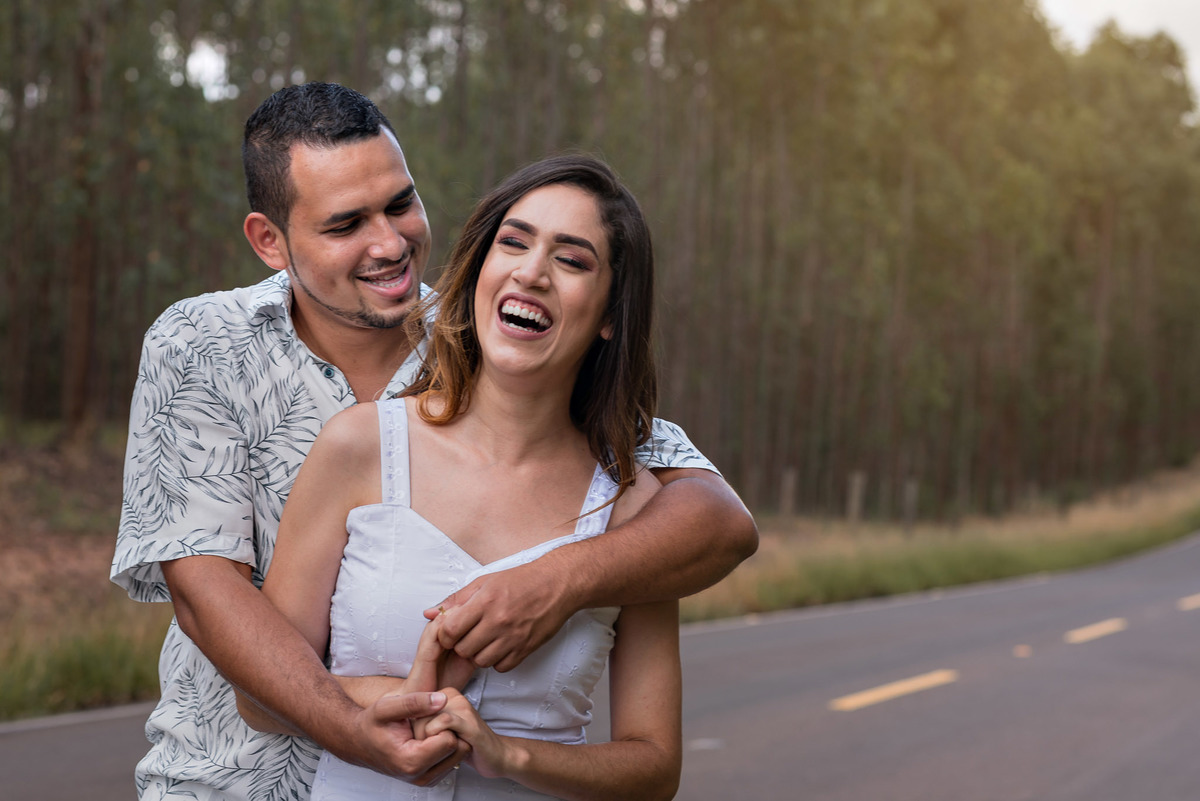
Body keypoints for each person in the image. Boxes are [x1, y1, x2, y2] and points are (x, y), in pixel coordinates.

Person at [111, 82, 756, 801]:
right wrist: (359, 729)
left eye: (400, 203)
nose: (389, 244)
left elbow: (711, 515)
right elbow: (204, 592)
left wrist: (554, 582)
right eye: (345, 224)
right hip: (224, 781)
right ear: (271, 241)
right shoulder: (201, 346)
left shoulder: (493, 336)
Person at [239, 153, 683, 800]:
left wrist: (506, 752)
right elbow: (259, 695)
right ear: (480, 269)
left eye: (572, 259)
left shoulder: (637, 513)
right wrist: (398, 705)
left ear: (611, 312)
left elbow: (655, 766)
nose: (532, 272)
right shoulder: (359, 445)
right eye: (514, 242)